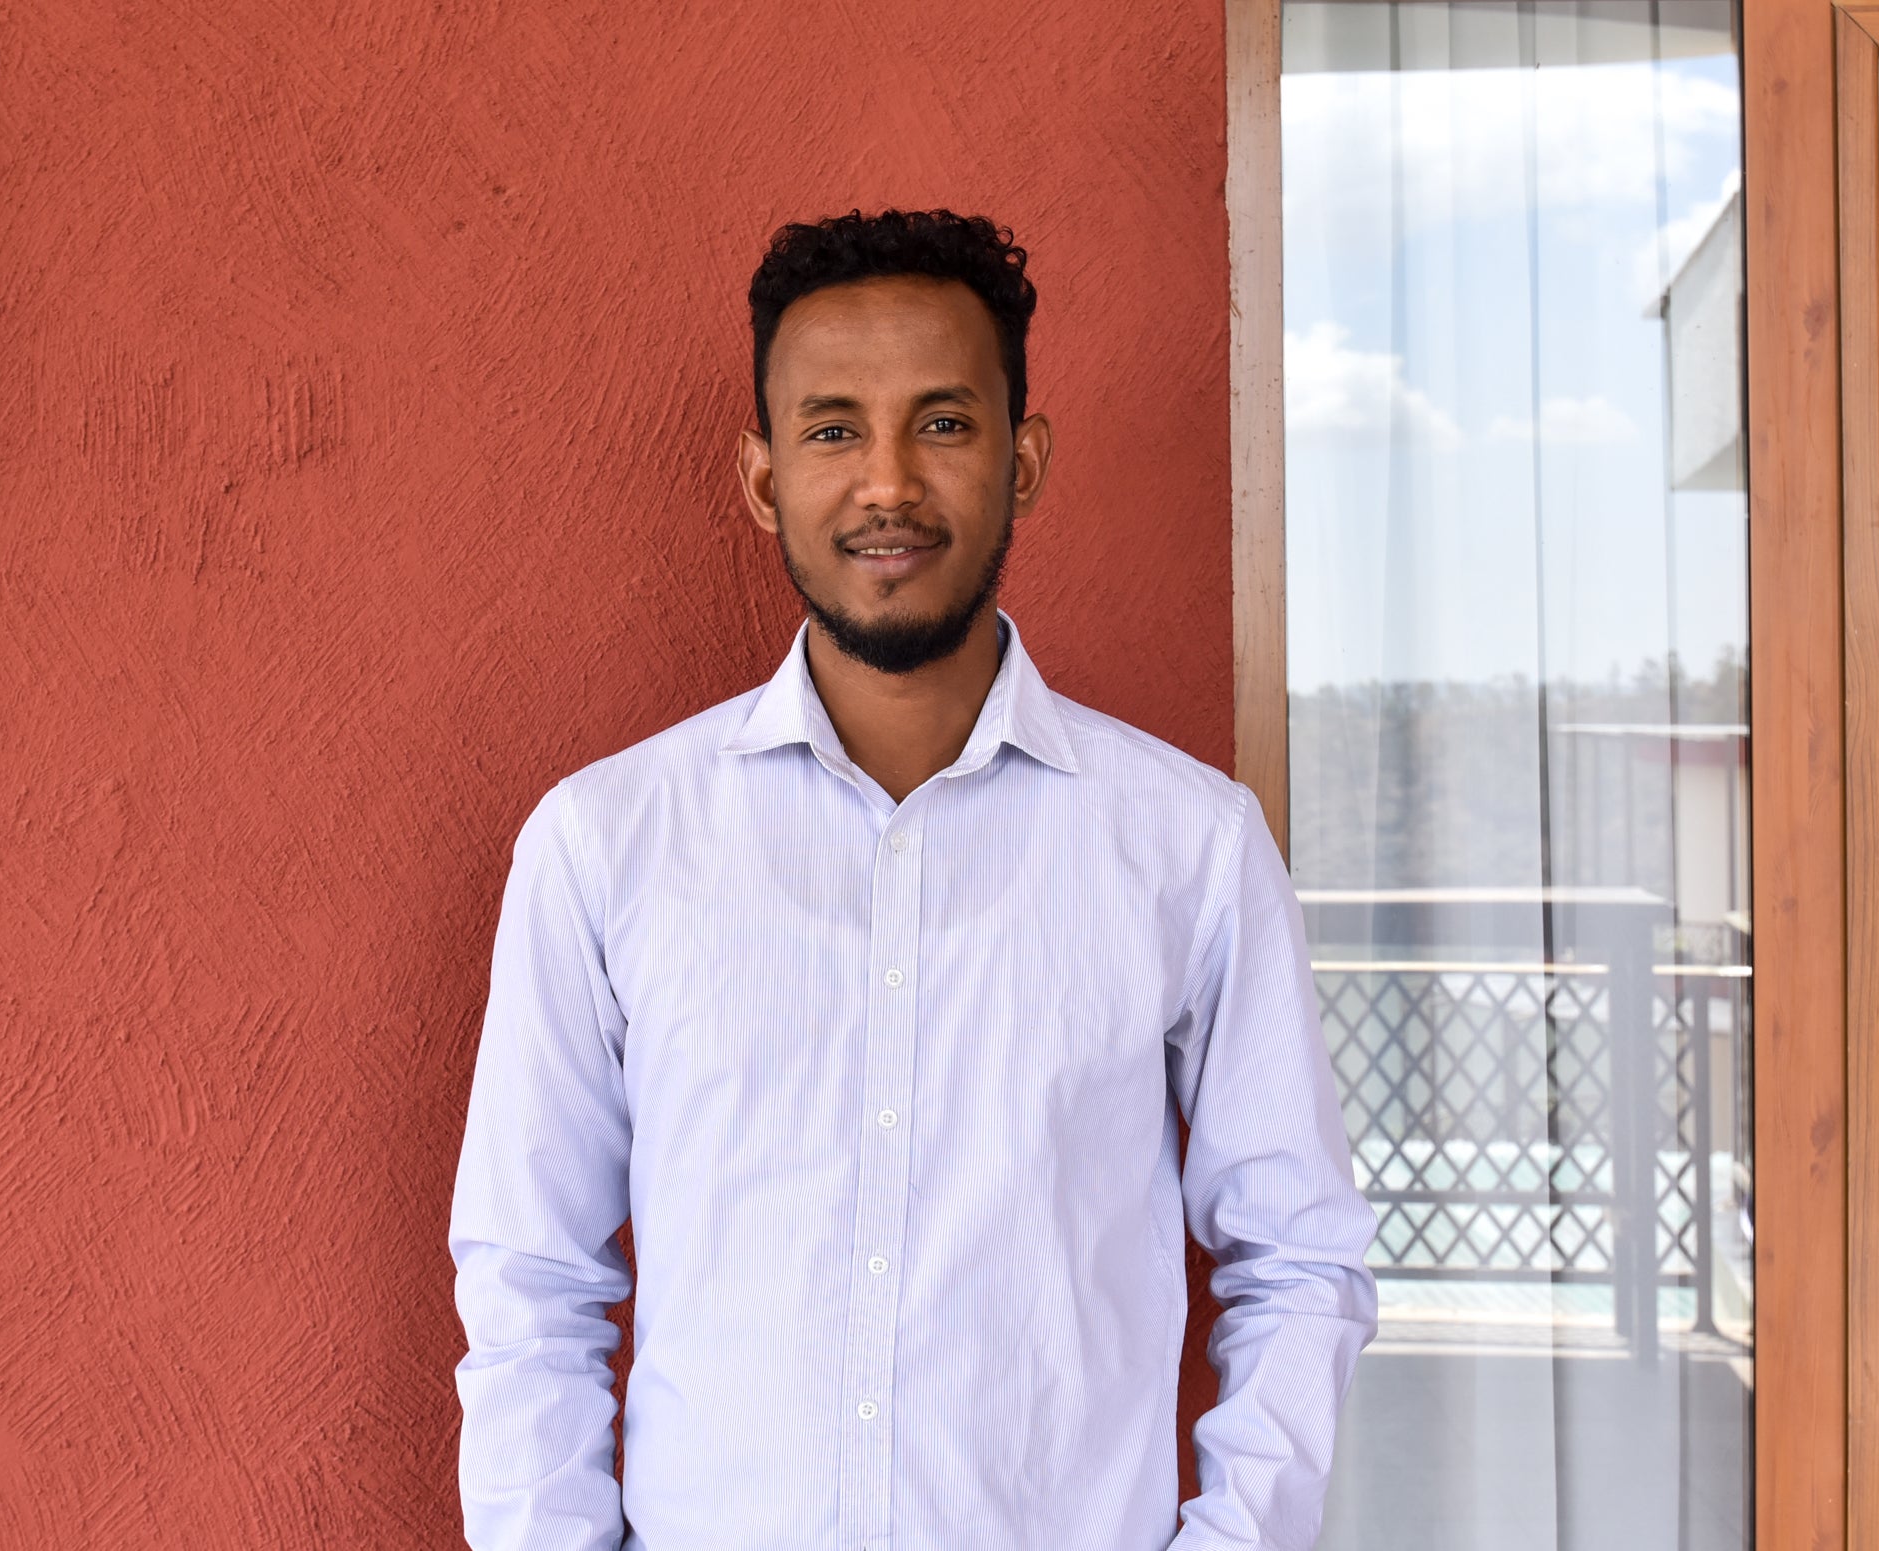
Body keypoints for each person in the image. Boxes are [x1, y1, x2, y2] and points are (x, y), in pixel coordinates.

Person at [448, 208, 1377, 1551]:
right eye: (833, 428)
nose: (887, 482)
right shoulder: (607, 843)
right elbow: (530, 1278)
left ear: (1024, 460)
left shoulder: (1188, 846)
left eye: (942, 423)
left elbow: (1299, 1260)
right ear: (766, 482)